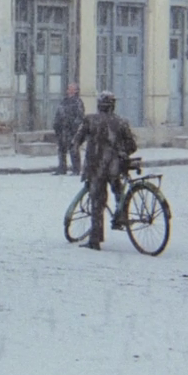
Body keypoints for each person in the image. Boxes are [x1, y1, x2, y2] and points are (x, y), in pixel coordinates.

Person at [73, 91, 138, 251]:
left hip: (96, 167)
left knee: (97, 201)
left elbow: (76, 140)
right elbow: (132, 146)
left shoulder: (90, 120)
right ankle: (120, 215)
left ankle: (95, 239)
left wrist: (77, 155)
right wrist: (120, 152)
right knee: (118, 190)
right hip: (116, 166)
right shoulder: (121, 122)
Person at [52, 83, 85, 175]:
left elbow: (80, 116)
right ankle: (62, 168)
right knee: (61, 149)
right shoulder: (64, 101)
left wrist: (74, 127)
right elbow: (58, 114)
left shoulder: (78, 102)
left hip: (71, 130)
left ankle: (76, 169)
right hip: (62, 129)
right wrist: (56, 125)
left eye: (72, 89)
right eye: (68, 88)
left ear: (76, 91)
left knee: (73, 149)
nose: (69, 90)